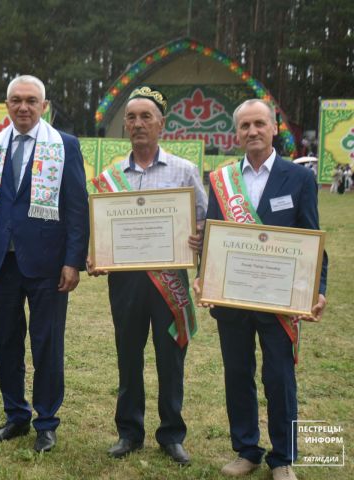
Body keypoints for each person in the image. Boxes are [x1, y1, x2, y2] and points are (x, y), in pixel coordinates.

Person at [193, 99, 327, 480]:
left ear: (274, 129)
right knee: (237, 373)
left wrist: (317, 288)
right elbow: (215, 236)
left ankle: (282, 458)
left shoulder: (298, 178)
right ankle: (247, 449)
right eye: (244, 126)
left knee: (279, 378)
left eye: (259, 124)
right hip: (231, 296)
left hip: (280, 299)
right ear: (236, 133)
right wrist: (205, 276)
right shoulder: (221, 179)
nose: (252, 131)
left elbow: (312, 237)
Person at [0, 75, 89, 453]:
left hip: (47, 265)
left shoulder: (65, 146)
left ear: (44, 106)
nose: (23, 107)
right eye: (16, 100)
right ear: (6, 105)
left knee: (46, 345)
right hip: (0, 262)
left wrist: (72, 261)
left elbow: (76, 208)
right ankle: (15, 415)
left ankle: (46, 422)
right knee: (6, 342)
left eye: (31, 101)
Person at [87, 86, 207, 465]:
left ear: (161, 125)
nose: (138, 124)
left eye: (146, 117)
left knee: (171, 358)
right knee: (128, 356)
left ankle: (171, 435)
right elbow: (100, 230)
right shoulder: (110, 176)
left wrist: (200, 236)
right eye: (132, 118)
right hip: (125, 283)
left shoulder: (184, 170)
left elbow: (204, 221)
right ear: (125, 125)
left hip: (169, 280)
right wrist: (96, 254)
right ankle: (129, 432)